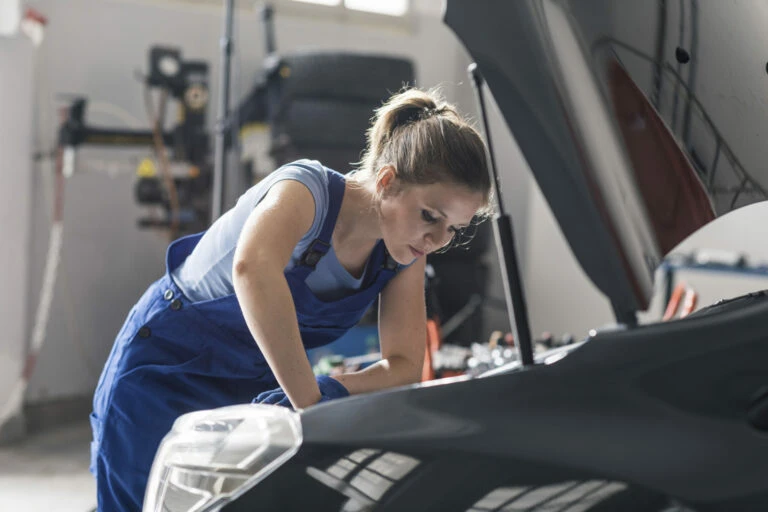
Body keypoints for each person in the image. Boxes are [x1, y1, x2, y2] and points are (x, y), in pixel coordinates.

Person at [89, 86, 493, 511]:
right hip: (161, 372)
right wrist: (311, 404)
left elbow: (406, 365)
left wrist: (331, 388)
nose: (435, 240)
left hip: (255, 389)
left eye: (453, 229)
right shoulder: (307, 191)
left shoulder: (402, 254)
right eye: (430, 215)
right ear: (388, 181)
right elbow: (252, 270)